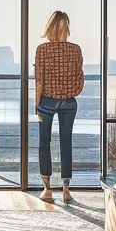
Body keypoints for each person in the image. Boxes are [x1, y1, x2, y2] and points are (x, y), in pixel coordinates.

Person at [34, 11, 83, 202]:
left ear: (49, 28)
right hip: (69, 100)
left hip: (47, 100)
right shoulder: (76, 49)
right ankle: (66, 189)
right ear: (66, 29)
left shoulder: (42, 50)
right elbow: (79, 76)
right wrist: (70, 92)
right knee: (66, 143)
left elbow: (39, 80)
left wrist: (37, 104)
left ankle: (47, 190)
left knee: (44, 142)